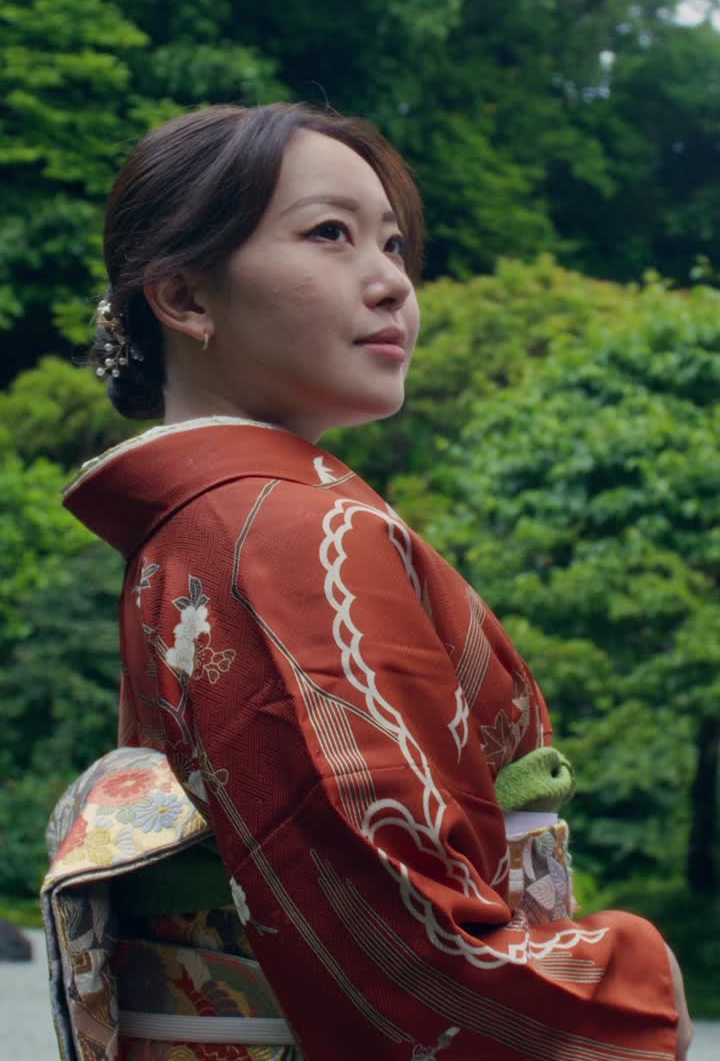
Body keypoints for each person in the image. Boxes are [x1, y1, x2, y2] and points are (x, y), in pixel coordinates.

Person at [54, 103, 691, 1060]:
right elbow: (404, 942)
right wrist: (631, 985)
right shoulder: (287, 534)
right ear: (185, 296)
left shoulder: (196, 534)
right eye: (330, 235)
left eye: (394, 245)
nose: (392, 280)